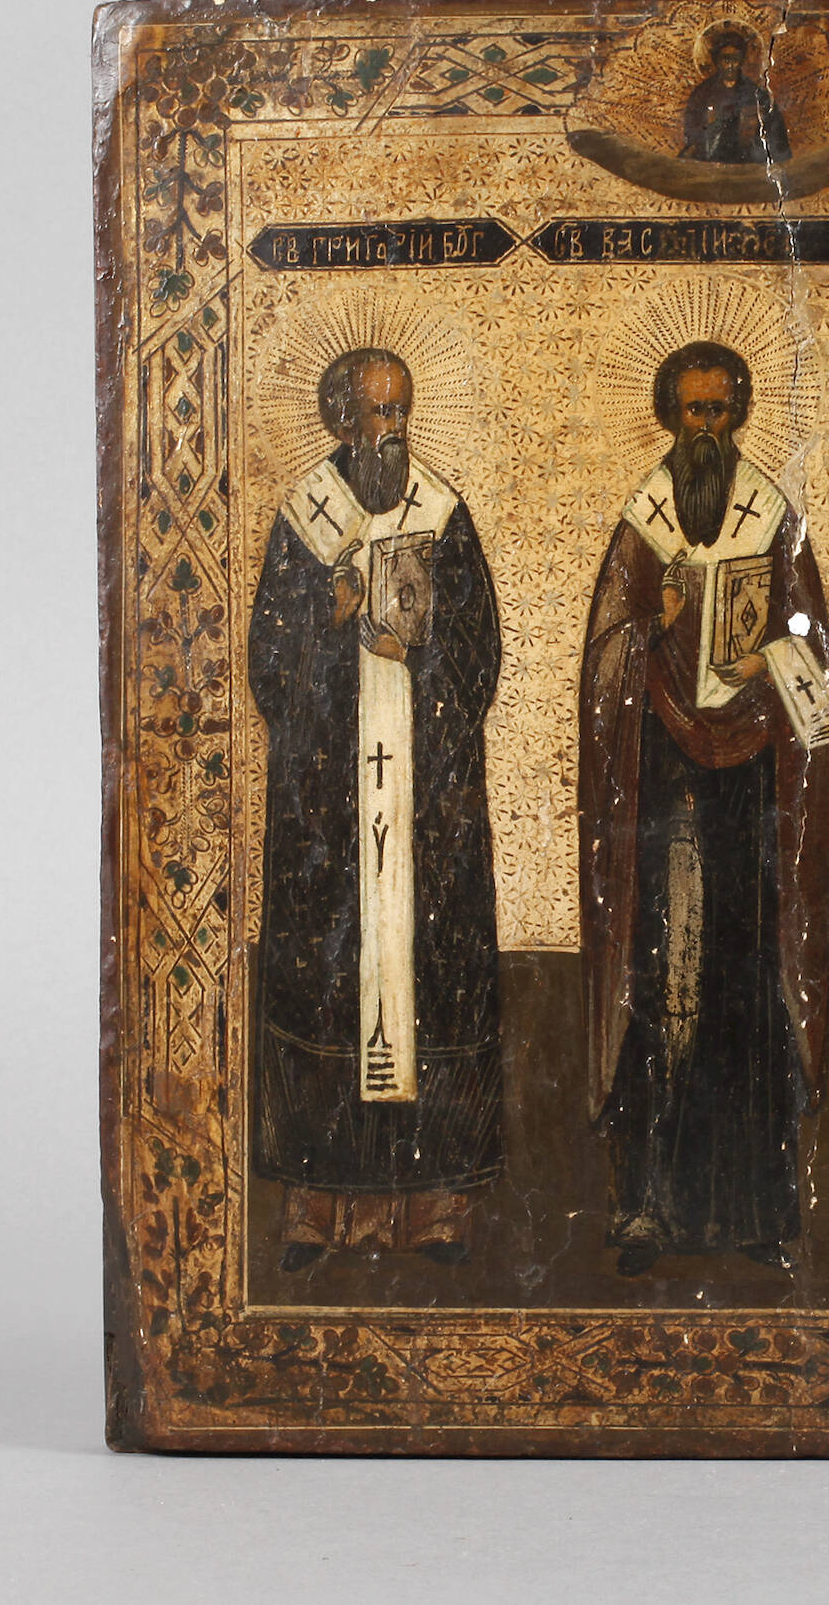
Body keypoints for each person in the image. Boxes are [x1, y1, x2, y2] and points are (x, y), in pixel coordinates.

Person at [579, 340, 829, 1275]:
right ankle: (647, 1206)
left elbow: (812, 643)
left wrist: (770, 655)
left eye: (720, 411)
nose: (706, 428)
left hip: (750, 782)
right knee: (664, 981)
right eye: (693, 411)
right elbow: (606, 653)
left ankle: (753, 1211)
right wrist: (654, 621)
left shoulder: (771, 515)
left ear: (739, 415)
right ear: (669, 416)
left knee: (745, 983)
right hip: (662, 782)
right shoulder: (645, 522)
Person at [249, 347, 502, 1272]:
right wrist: (329, 612)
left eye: (401, 411)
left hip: (426, 801)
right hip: (328, 807)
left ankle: (433, 1206)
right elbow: (267, 664)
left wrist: (418, 648)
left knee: (432, 972)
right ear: (339, 420)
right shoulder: (305, 519)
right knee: (326, 976)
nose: (391, 430)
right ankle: (318, 1205)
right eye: (375, 413)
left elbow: (479, 654)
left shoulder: (442, 514)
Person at [679, 29, 791, 165]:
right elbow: (692, 131)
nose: (730, 64)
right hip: (711, 161)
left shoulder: (755, 94)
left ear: (742, 60)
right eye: (725, 58)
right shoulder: (703, 94)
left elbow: (776, 134)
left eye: (735, 58)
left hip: (747, 161)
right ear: (716, 60)